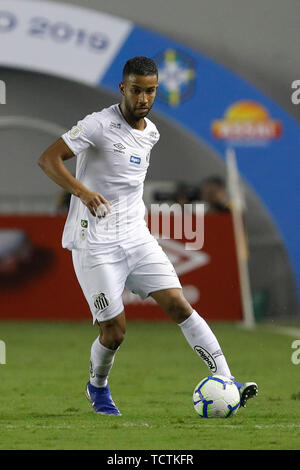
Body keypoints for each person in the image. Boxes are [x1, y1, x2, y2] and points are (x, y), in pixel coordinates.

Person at [38, 56, 257, 416]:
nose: (143, 98)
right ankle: (98, 387)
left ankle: (226, 378)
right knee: (115, 332)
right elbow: (48, 159)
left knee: (179, 305)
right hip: (95, 242)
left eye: (150, 91)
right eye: (137, 90)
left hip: (136, 237)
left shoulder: (151, 133)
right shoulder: (97, 125)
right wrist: (83, 193)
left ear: (157, 91)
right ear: (123, 88)